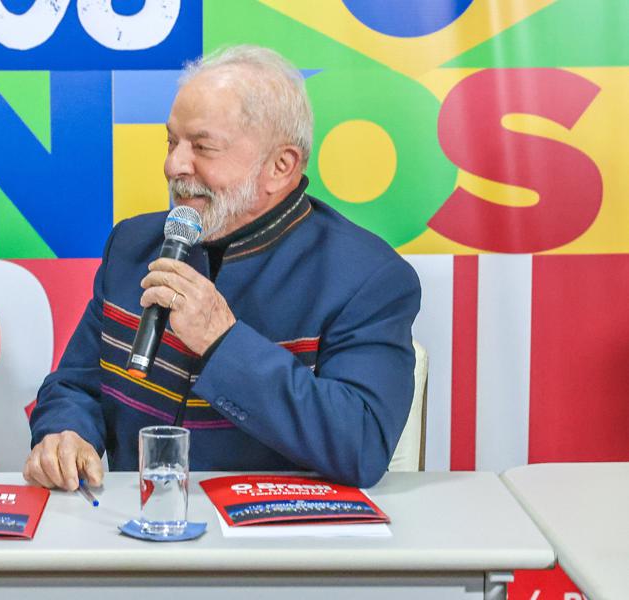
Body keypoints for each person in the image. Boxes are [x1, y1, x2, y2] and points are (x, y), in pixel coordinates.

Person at [25, 45, 420, 490]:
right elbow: (76, 386)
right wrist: (65, 433)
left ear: (280, 166)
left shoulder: (367, 277)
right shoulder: (132, 244)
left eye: (203, 148)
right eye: (172, 142)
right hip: (133, 530)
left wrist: (223, 341)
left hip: (276, 545)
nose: (173, 165)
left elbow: (361, 447)